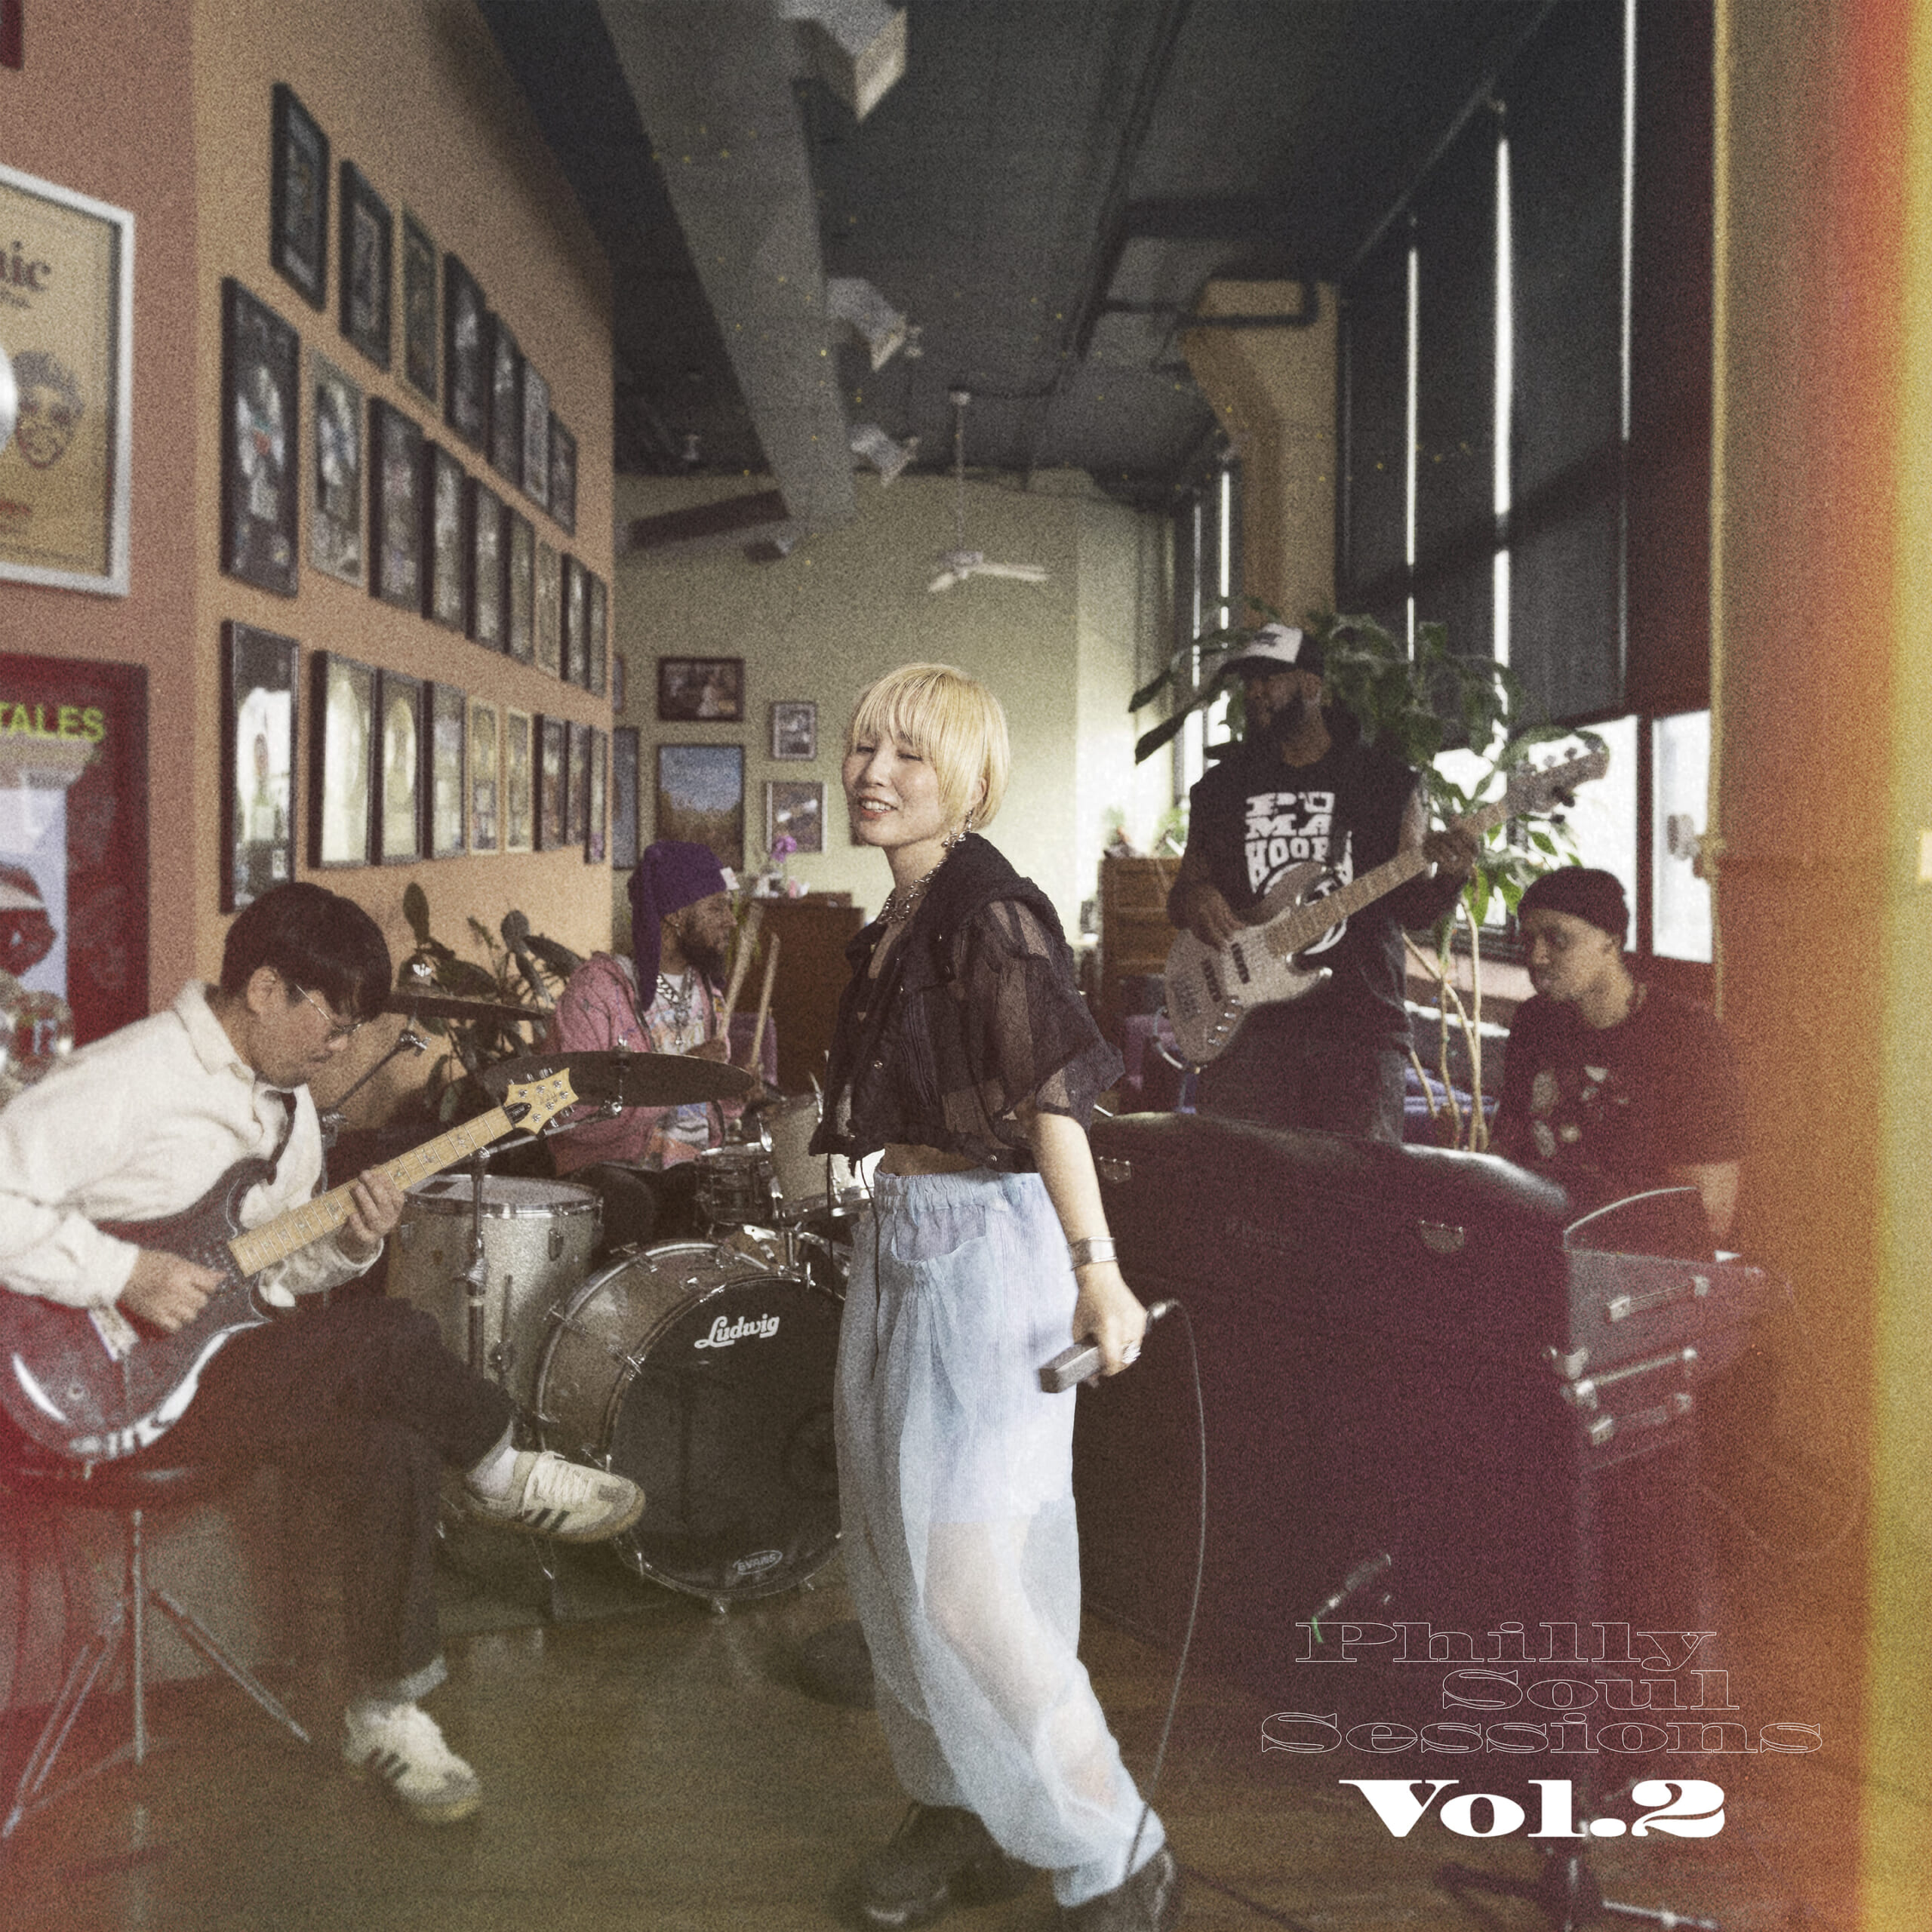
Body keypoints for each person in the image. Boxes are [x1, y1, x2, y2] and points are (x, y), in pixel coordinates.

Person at [0, 883, 645, 1824]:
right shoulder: (132, 1073)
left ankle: (386, 1713)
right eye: (333, 1023)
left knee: (391, 1438)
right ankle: (501, 1468)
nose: (341, 1048)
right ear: (266, 988)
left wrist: (349, 1240)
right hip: (91, 1388)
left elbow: (269, 1275)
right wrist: (124, 1272)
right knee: (395, 1333)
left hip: (212, 1371)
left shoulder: (290, 1109)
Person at [813, 663, 1182, 1931]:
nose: (874, 772)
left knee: (966, 1585)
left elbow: (1053, 1100)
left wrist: (1097, 1267)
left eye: (909, 753)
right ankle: (957, 1804)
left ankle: (1115, 1844)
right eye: (864, 745)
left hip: (989, 1252)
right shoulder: (900, 919)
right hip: (903, 1239)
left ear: (968, 779)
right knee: (888, 1564)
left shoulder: (992, 912)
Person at [1165, 623, 1480, 1140]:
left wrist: (1451, 875)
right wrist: (1198, 896)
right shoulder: (1221, 789)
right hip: (1248, 1035)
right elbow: (1182, 898)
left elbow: (1415, 912)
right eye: (1249, 681)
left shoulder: (1386, 783)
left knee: (1352, 1188)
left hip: (1359, 1036)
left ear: (1312, 684)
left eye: (1270, 678)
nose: (1255, 692)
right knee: (1241, 1183)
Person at [1493, 866, 1746, 1241]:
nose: (1537, 956)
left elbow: (1710, 1211)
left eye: (1557, 939)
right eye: (1528, 940)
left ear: (1610, 941)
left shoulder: (1686, 1034)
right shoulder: (1535, 1021)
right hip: (1540, 1236)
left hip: (1640, 1252)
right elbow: (1506, 1148)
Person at [545, 839, 752, 1245]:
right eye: (716, 908)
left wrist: (734, 1090)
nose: (731, 921)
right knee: (635, 1203)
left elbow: (707, 1114)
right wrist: (681, 1075)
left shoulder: (708, 995)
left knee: (740, 1194)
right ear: (675, 915)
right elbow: (570, 1114)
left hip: (689, 1166)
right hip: (611, 1166)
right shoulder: (596, 991)